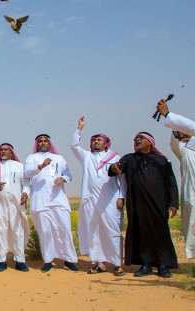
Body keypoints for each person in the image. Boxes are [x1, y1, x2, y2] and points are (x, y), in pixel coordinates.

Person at [109, 132, 179, 277]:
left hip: (158, 203)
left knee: (160, 233)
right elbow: (115, 169)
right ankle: (145, 265)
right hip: (137, 204)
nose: (137, 140)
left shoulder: (161, 160)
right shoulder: (130, 158)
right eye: (135, 139)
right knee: (141, 233)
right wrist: (114, 168)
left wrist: (173, 203)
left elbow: (170, 183)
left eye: (140, 138)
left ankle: (162, 265)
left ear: (150, 142)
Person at [70, 117, 127, 276]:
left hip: (110, 199)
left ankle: (117, 263)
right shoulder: (86, 156)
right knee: (93, 231)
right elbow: (73, 145)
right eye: (93, 140)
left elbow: (123, 179)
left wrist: (121, 196)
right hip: (90, 200)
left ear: (106, 143)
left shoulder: (115, 157)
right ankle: (99, 263)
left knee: (112, 230)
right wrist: (79, 129)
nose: (95, 142)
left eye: (99, 140)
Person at [24, 134, 78, 273]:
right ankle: (48, 261)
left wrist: (62, 178)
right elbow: (27, 173)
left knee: (64, 229)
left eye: (45, 141)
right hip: (41, 201)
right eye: (40, 141)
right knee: (46, 232)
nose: (43, 143)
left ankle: (69, 260)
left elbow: (69, 175)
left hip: (58, 200)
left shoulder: (59, 158)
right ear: (37, 144)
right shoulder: (32, 158)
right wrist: (40, 166)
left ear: (49, 143)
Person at [0, 142, 30, 272]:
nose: (3, 152)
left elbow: (26, 182)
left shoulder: (19, 166)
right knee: (1, 230)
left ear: (11, 152)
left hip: (16, 204)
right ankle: (2, 260)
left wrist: (25, 193)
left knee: (17, 231)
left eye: (6, 150)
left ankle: (20, 260)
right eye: (1, 150)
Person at [169, 129, 195, 259]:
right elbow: (174, 144)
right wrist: (176, 132)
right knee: (191, 223)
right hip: (191, 193)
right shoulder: (184, 149)